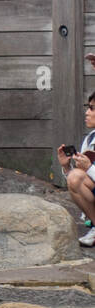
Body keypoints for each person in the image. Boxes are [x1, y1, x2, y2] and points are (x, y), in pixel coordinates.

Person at [57, 93, 95, 247]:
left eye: (92, 108)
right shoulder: (90, 139)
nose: (87, 112)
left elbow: (89, 172)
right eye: (88, 107)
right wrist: (66, 167)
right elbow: (81, 179)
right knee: (74, 178)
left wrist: (90, 168)